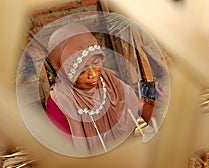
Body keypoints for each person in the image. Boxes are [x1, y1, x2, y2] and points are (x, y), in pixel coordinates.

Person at [45, 23, 154, 155]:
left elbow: (139, 105)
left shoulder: (107, 79)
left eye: (96, 63)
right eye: (82, 70)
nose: (93, 74)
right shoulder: (60, 102)